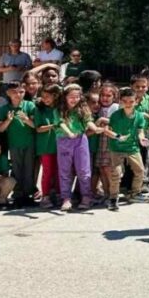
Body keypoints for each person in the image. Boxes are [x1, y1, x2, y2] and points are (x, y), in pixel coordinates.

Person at [56, 84, 97, 212]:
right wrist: (69, 133)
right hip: (63, 140)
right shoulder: (58, 109)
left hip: (80, 140)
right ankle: (66, 198)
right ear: (65, 97)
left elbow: (88, 121)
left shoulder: (83, 109)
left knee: (84, 170)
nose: (74, 99)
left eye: (77, 97)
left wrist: (95, 128)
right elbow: (61, 123)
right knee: (65, 171)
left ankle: (86, 196)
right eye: (71, 97)